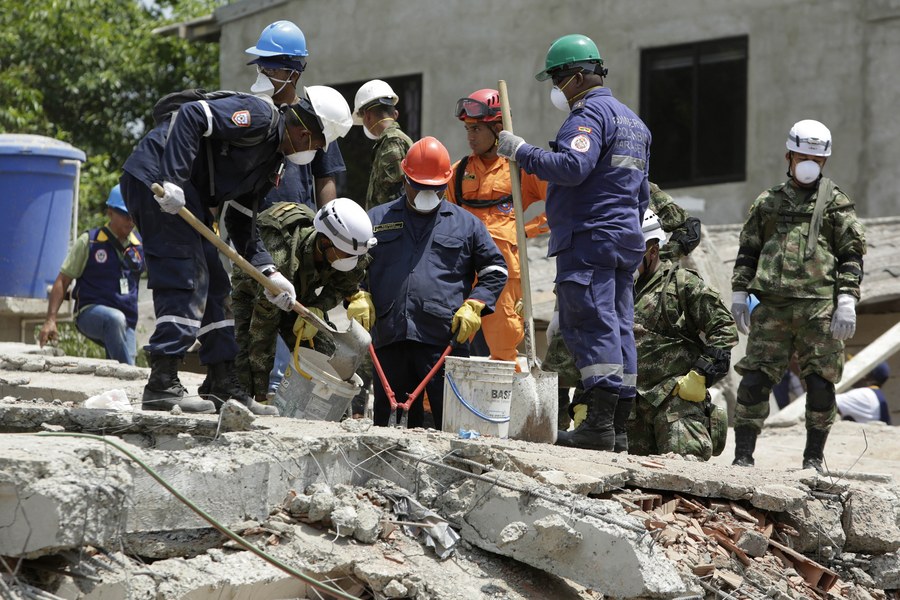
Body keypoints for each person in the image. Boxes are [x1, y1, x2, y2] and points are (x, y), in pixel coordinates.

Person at [120, 81, 353, 415]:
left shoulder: (269, 163)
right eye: (318, 144)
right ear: (306, 133)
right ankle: (161, 383)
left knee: (216, 284)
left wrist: (269, 273)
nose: (315, 151)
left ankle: (222, 383)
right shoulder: (259, 116)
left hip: (189, 194)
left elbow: (244, 224)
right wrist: (172, 178)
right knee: (186, 273)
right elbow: (191, 115)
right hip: (157, 177)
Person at [496, 33, 651, 451]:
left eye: (558, 80)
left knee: (592, 323)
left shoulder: (588, 117)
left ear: (577, 77)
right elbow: (642, 195)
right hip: (622, 238)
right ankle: (617, 428)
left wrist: (522, 152)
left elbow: (573, 165)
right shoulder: (634, 123)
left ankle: (598, 429)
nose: (556, 90)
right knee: (620, 328)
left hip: (589, 238)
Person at [730, 119, 866, 472]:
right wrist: (738, 293)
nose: (808, 164)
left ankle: (813, 458)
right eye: (803, 156)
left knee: (821, 384)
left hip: (818, 308)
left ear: (825, 162)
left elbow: (851, 255)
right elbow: (749, 250)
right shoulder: (768, 201)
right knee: (755, 381)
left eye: (816, 160)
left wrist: (847, 300)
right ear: (789, 155)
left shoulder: (837, 204)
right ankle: (743, 456)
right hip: (771, 306)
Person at [362, 137, 507, 429]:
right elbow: (351, 266)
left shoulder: (466, 224)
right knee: (389, 426)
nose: (427, 193)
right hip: (391, 337)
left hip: (444, 343)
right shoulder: (377, 219)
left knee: (452, 427)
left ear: (445, 184)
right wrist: (358, 294)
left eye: (435, 188)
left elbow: (495, 269)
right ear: (405, 179)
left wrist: (476, 304)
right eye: (420, 186)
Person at [545, 182, 700, 431]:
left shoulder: (639, 186)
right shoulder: (580, 186)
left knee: (613, 352)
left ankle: (608, 427)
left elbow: (689, 227)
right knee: (560, 360)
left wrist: (657, 255)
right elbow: (571, 248)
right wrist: (557, 308)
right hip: (585, 280)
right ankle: (555, 429)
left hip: (631, 282)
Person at [233, 198, 375, 402]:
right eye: (347, 255)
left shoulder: (351, 248)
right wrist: (262, 392)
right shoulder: (282, 255)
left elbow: (344, 284)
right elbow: (263, 325)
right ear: (325, 242)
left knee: (327, 352)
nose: (352, 260)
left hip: (300, 292)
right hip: (255, 290)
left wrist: (318, 308)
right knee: (244, 367)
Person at [447, 88, 548, 366]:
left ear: (498, 128)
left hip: (504, 272)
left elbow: (560, 204)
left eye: (476, 129)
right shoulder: (458, 171)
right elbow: (444, 217)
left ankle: (509, 407)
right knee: (450, 343)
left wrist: (525, 231)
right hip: (463, 269)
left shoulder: (520, 168)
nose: (470, 136)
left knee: (504, 348)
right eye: (468, 129)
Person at [628, 210, 737, 458]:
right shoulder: (614, 288)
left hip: (674, 402)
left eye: (631, 252)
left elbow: (724, 329)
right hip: (628, 407)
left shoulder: (682, 284)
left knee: (682, 470)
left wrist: (700, 376)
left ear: (652, 251)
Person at [246, 19, 346, 212]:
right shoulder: (252, 113)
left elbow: (325, 177)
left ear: (293, 75)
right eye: (261, 68)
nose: (263, 74)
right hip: (253, 228)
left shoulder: (316, 118)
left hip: (299, 226)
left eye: (271, 69)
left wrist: (327, 230)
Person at [39, 185, 145, 365]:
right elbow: (63, 280)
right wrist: (51, 320)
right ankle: (131, 376)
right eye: (125, 215)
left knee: (124, 363)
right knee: (116, 325)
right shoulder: (90, 241)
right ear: (110, 212)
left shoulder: (140, 245)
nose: (130, 220)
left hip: (127, 320)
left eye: (133, 215)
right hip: (90, 313)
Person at [353, 79, 413, 209]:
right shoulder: (393, 140)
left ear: (367, 116)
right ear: (395, 114)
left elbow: (394, 195)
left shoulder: (391, 142)